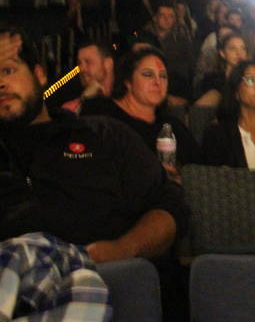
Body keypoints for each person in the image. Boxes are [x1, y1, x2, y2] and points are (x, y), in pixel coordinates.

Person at [0, 30, 187, 261]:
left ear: (39, 75)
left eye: (8, 71)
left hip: (110, 274)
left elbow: (169, 205)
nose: (1, 83)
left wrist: (123, 249)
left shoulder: (102, 134)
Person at [81, 47, 201, 169]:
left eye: (163, 76)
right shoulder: (101, 115)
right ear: (128, 81)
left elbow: (201, 171)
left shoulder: (173, 128)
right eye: (148, 74)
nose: (157, 82)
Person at [194, 32, 248, 107]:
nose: (239, 53)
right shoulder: (211, 81)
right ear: (222, 53)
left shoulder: (250, 80)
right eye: (232, 49)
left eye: (243, 48)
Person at [61, 40, 116, 113]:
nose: (81, 68)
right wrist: (84, 101)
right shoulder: (70, 108)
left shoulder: (125, 101)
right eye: (79, 63)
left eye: (88, 62)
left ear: (108, 64)